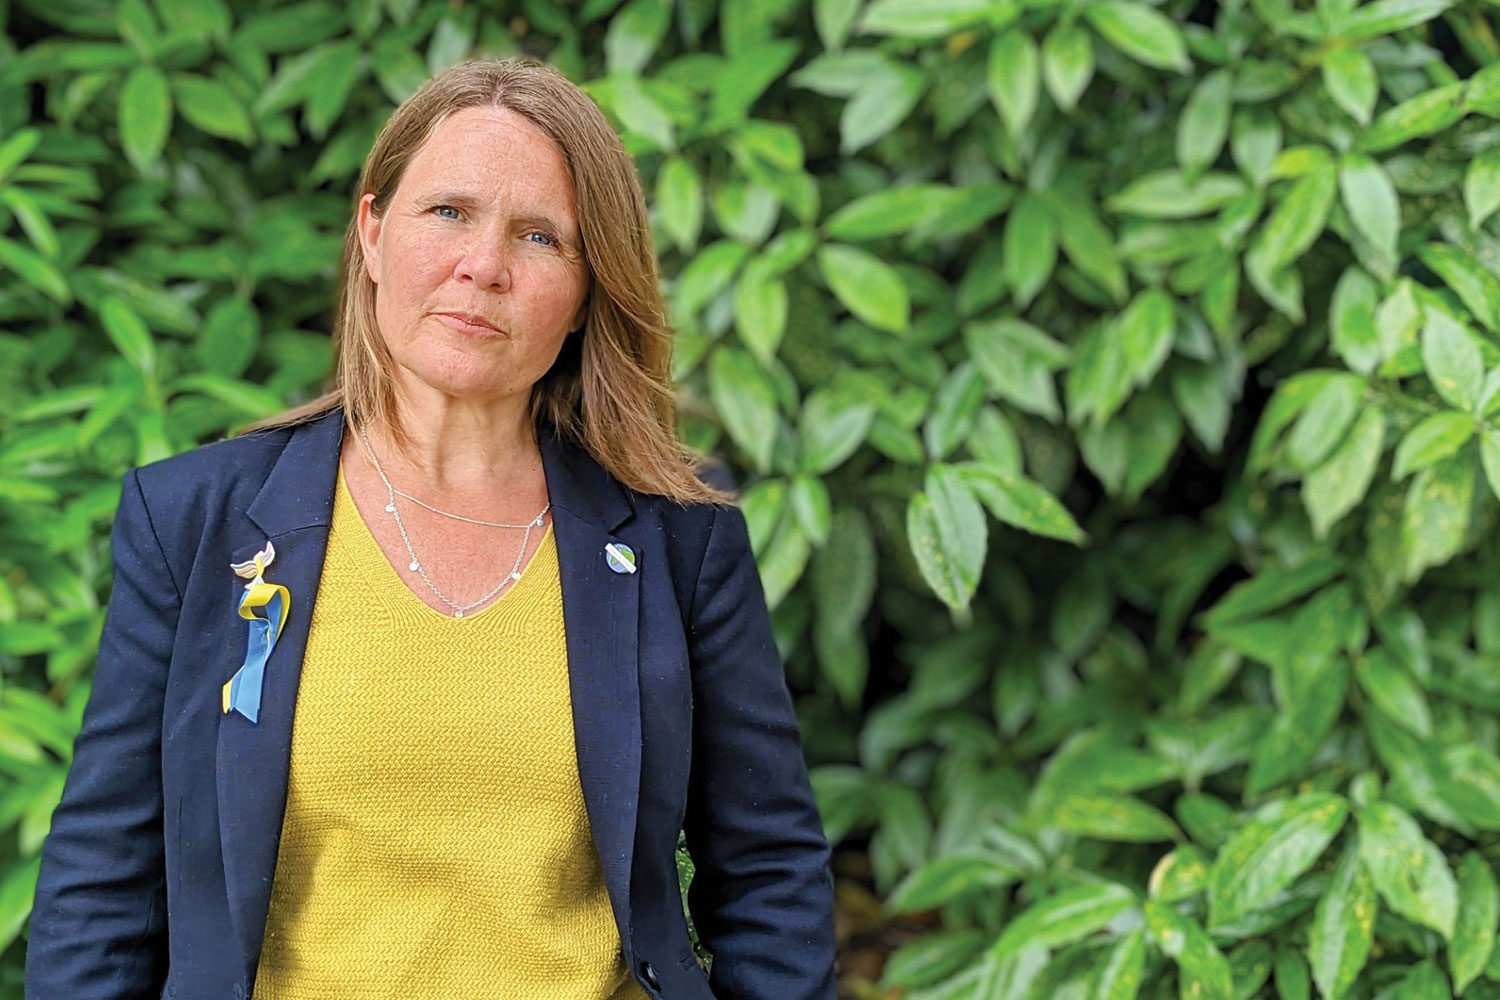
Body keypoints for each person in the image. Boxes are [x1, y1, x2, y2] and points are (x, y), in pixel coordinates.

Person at [25, 57, 837, 1000]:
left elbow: (771, 870)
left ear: (584, 293)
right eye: (448, 212)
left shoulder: (678, 540)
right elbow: (100, 887)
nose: (482, 266)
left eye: (540, 237)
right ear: (372, 233)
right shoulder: (193, 523)